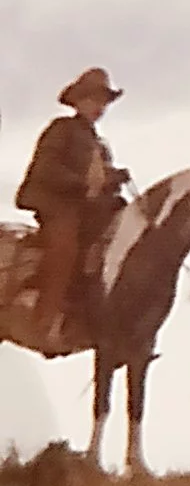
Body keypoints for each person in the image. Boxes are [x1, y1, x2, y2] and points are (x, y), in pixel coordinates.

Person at [15, 68, 131, 349]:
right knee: (65, 248)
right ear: (78, 102)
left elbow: (101, 181)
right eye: (92, 100)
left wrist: (114, 178)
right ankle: (45, 318)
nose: (98, 107)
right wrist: (82, 183)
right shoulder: (61, 130)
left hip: (90, 210)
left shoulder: (99, 144)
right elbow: (46, 169)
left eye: (102, 102)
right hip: (58, 204)